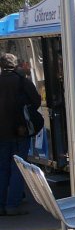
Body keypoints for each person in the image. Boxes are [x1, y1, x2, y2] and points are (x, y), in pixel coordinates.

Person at [0, 52, 42, 216]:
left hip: (1, 134)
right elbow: (36, 102)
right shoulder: (22, 82)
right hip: (20, 131)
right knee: (18, 168)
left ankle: (1, 204)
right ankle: (12, 205)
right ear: (15, 65)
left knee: (2, 168)